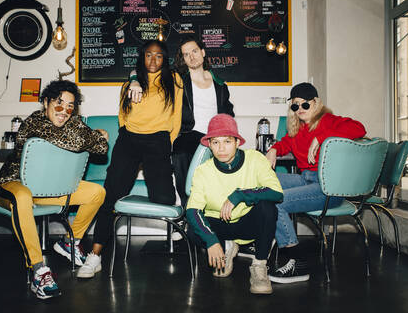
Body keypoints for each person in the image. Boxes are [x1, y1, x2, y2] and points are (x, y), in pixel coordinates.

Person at [0, 80, 109, 299]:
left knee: (97, 192)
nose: (64, 110)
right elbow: (74, 140)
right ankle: (39, 271)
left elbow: (101, 149)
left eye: (70, 106)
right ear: (45, 102)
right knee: (22, 197)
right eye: (58, 103)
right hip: (13, 184)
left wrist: (96, 138)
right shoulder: (35, 122)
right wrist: (96, 134)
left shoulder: (72, 123)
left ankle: (69, 242)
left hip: (47, 189)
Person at [77, 40, 184, 278]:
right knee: (110, 196)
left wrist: (168, 142)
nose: (153, 61)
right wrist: (127, 133)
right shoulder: (130, 83)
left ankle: (178, 205)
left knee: (164, 198)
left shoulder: (174, 81)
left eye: (158, 56)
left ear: (164, 59)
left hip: (158, 141)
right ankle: (95, 256)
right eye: (148, 55)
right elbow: (122, 115)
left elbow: (176, 117)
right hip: (130, 140)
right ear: (141, 57)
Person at [265, 82, 366, 283]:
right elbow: (286, 142)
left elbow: (359, 128)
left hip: (328, 186)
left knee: (277, 201)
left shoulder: (328, 120)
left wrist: (322, 137)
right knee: (263, 183)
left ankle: (297, 262)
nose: (300, 109)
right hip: (306, 178)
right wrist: (274, 149)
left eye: (305, 105)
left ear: (316, 103)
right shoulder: (297, 127)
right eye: (295, 106)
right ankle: (259, 240)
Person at [127, 36, 234, 207]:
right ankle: (187, 208)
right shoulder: (178, 80)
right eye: (186, 54)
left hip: (216, 136)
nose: (192, 56)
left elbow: (229, 113)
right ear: (183, 59)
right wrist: (134, 81)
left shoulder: (220, 85)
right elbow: (139, 71)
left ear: (203, 52)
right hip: (189, 133)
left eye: (194, 51)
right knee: (181, 153)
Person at [186, 114, 283, 294]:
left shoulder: (255, 159)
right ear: (209, 145)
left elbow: (277, 192)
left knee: (267, 207)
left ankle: (259, 266)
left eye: (227, 141)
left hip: (247, 223)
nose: (221, 148)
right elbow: (192, 210)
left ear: (237, 142)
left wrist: (240, 195)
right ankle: (226, 246)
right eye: (215, 142)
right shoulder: (203, 171)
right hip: (219, 225)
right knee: (193, 230)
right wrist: (211, 240)